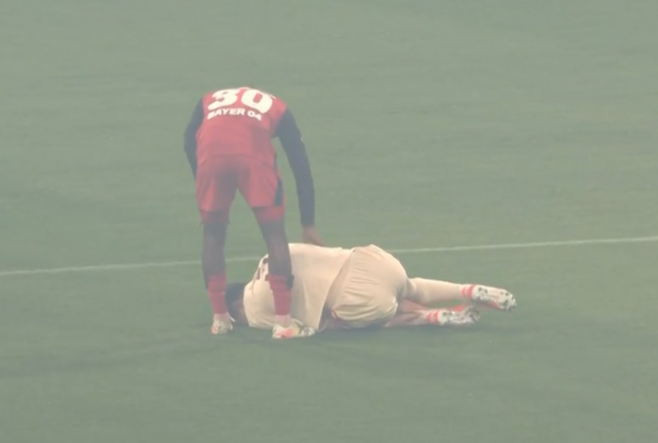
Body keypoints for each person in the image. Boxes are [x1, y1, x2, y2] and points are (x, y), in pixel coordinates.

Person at [183, 87, 323, 339]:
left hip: (210, 156)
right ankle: (283, 323)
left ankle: (220, 319)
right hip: (253, 159)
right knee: (274, 235)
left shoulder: (208, 100)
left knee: (212, 236)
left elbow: (187, 140)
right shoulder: (278, 108)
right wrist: (308, 223)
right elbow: (299, 165)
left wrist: (201, 181)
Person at [223, 243, 517, 336]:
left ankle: (429, 317)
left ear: (237, 304)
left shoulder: (253, 309)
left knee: (339, 322)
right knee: (410, 286)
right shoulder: (271, 254)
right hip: (374, 261)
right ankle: (467, 290)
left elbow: (300, 330)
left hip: (358, 302)